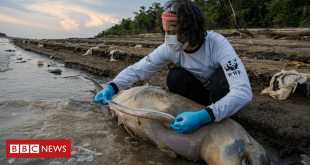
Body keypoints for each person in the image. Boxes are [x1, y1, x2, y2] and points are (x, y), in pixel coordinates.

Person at [94, 0, 252, 134]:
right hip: (199, 95)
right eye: (166, 32)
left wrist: (204, 116)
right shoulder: (169, 48)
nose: (169, 38)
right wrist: (113, 86)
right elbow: (138, 69)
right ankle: (198, 111)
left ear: (191, 28)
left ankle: (215, 113)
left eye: (174, 32)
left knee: (221, 79)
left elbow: (243, 92)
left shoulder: (217, 44)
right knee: (175, 76)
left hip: (218, 93)